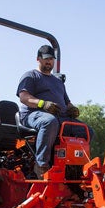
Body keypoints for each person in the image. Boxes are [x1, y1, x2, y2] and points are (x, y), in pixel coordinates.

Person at [17, 45, 92, 178]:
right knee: (49, 122)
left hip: (60, 117)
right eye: (46, 59)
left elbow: (67, 102)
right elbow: (24, 97)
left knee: (86, 131)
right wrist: (43, 103)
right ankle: (41, 165)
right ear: (38, 59)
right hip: (33, 115)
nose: (49, 61)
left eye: (51, 59)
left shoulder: (58, 82)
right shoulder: (31, 76)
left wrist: (72, 108)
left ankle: (74, 168)